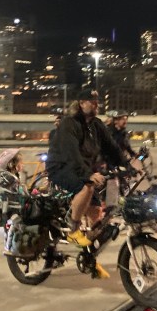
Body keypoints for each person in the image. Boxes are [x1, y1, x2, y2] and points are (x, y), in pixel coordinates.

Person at [46, 89, 127, 276]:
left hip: (81, 167)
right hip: (60, 167)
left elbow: (112, 147)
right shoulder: (69, 123)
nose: (96, 104)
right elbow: (72, 154)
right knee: (87, 187)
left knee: (96, 214)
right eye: (92, 100)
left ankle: (90, 259)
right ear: (82, 103)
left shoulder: (96, 125)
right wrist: (88, 174)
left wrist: (127, 165)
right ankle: (73, 228)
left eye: (98, 100)